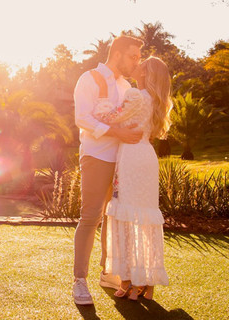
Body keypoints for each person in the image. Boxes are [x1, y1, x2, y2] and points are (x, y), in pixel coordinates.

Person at [71, 35, 144, 305]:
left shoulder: (127, 86)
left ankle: (107, 272)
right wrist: (117, 132)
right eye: (133, 56)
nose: (137, 62)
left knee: (113, 217)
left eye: (138, 57)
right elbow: (82, 118)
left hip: (123, 159)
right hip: (96, 156)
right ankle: (80, 281)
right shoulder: (88, 78)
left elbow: (133, 119)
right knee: (91, 216)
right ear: (117, 54)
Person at [98, 56, 173, 301]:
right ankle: (146, 286)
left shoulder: (134, 95)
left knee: (127, 217)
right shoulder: (156, 101)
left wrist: (98, 108)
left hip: (130, 158)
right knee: (144, 218)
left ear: (146, 73)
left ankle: (129, 281)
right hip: (147, 158)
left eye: (142, 64)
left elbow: (109, 119)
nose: (136, 65)